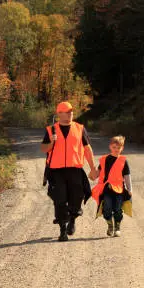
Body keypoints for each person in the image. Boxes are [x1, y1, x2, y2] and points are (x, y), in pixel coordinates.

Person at [41, 101, 98, 241]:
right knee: (59, 200)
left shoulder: (80, 128)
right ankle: (62, 229)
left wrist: (93, 168)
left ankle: (72, 219)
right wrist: (52, 142)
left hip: (75, 170)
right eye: (67, 111)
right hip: (56, 171)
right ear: (59, 113)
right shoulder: (51, 130)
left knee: (76, 198)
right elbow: (44, 149)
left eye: (71, 111)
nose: (70, 113)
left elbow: (87, 149)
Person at [91, 136, 133, 237]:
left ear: (122, 148)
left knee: (118, 208)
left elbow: (127, 176)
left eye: (118, 148)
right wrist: (92, 173)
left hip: (119, 189)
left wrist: (130, 189)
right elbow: (98, 172)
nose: (116, 150)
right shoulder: (104, 159)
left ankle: (117, 227)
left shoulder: (123, 161)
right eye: (114, 147)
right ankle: (110, 225)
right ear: (110, 147)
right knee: (107, 208)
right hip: (106, 189)